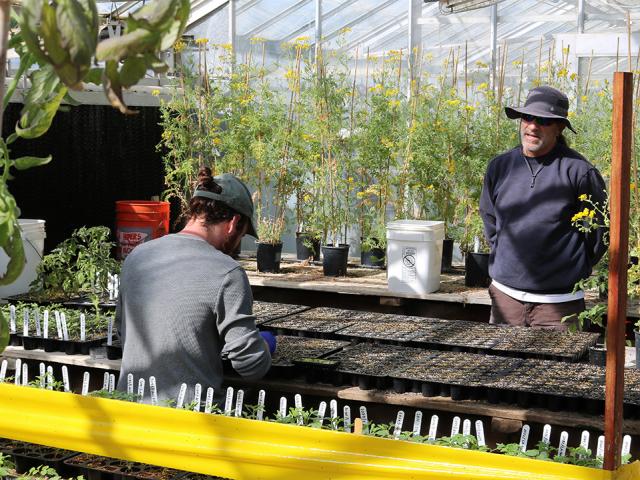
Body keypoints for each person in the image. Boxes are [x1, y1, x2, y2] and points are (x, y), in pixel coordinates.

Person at [116, 167, 274, 404]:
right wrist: (265, 344)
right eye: (242, 234)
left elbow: (122, 330)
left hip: (129, 411)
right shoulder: (227, 272)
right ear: (233, 223)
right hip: (189, 424)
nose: (238, 241)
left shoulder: (137, 256)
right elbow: (250, 365)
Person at [479, 85, 607, 330]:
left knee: (557, 369)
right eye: (528, 117)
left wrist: (573, 266)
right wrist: (506, 256)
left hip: (558, 306)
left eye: (544, 121)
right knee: (503, 367)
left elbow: (600, 233)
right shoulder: (500, 166)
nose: (533, 126)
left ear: (559, 128)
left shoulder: (579, 171)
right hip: (506, 299)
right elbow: (490, 218)